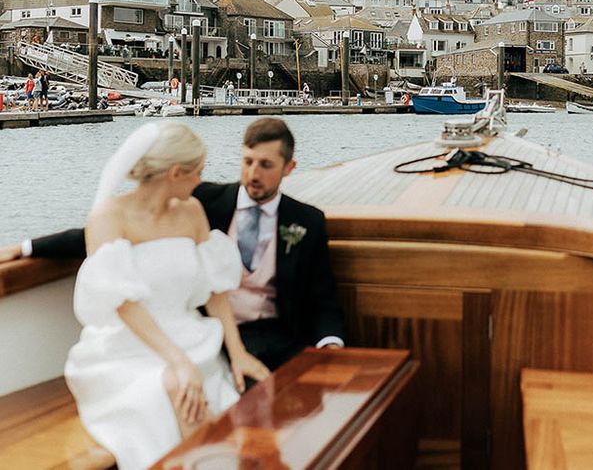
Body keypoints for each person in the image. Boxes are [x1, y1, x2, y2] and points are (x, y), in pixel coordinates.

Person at [1, 118, 346, 372]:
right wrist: (28, 247)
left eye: (266, 165)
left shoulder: (308, 221)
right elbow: (106, 234)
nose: (253, 173)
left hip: (282, 333)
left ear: (289, 168)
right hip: (212, 333)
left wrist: (330, 345)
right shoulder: (202, 199)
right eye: (247, 161)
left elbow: (323, 297)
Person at [64, 122, 269, 469]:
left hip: (190, 338)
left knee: (214, 390)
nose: (200, 181)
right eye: (198, 172)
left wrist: (238, 353)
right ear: (175, 172)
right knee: (178, 386)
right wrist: (177, 361)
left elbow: (215, 291)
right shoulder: (108, 217)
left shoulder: (192, 213)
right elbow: (124, 303)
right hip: (125, 349)